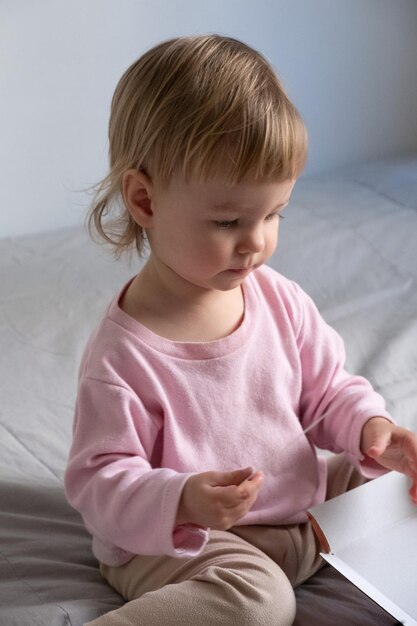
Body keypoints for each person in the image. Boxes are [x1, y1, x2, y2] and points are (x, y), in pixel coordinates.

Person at [64, 35, 417, 626]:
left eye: (274, 214)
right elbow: (100, 481)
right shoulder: (123, 356)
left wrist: (372, 429)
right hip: (188, 542)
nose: (257, 242)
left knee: (395, 480)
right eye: (228, 221)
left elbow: (327, 391)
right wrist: (184, 499)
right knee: (260, 600)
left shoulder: (280, 300)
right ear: (145, 201)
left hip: (298, 511)